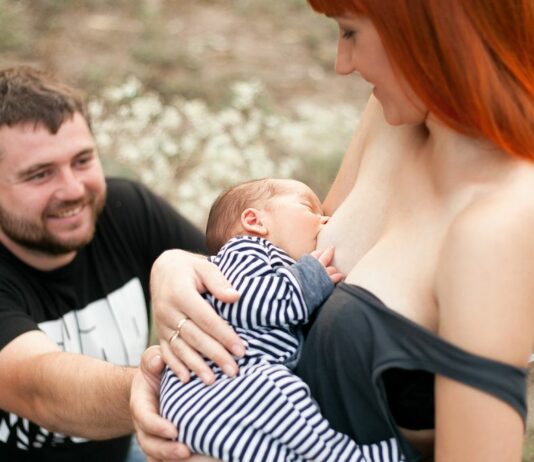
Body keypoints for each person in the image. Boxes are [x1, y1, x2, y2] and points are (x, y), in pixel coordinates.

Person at [131, 0, 534, 461]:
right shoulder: (393, 114)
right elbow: (302, 253)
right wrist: (182, 267)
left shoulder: (501, 224)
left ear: (428, 28)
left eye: (350, 33)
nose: (342, 65)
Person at [0, 65, 206, 461]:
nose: (74, 190)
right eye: (40, 175)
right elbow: (43, 392)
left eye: (82, 160)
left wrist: (181, 264)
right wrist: (175, 392)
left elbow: (246, 284)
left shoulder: (126, 209)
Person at [161, 178, 398, 461]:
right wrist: (308, 281)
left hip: (218, 409)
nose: (324, 220)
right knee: (297, 414)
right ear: (255, 221)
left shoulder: (271, 264)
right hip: (221, 388)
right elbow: (243, 302)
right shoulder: (243, 252)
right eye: (308, 207)